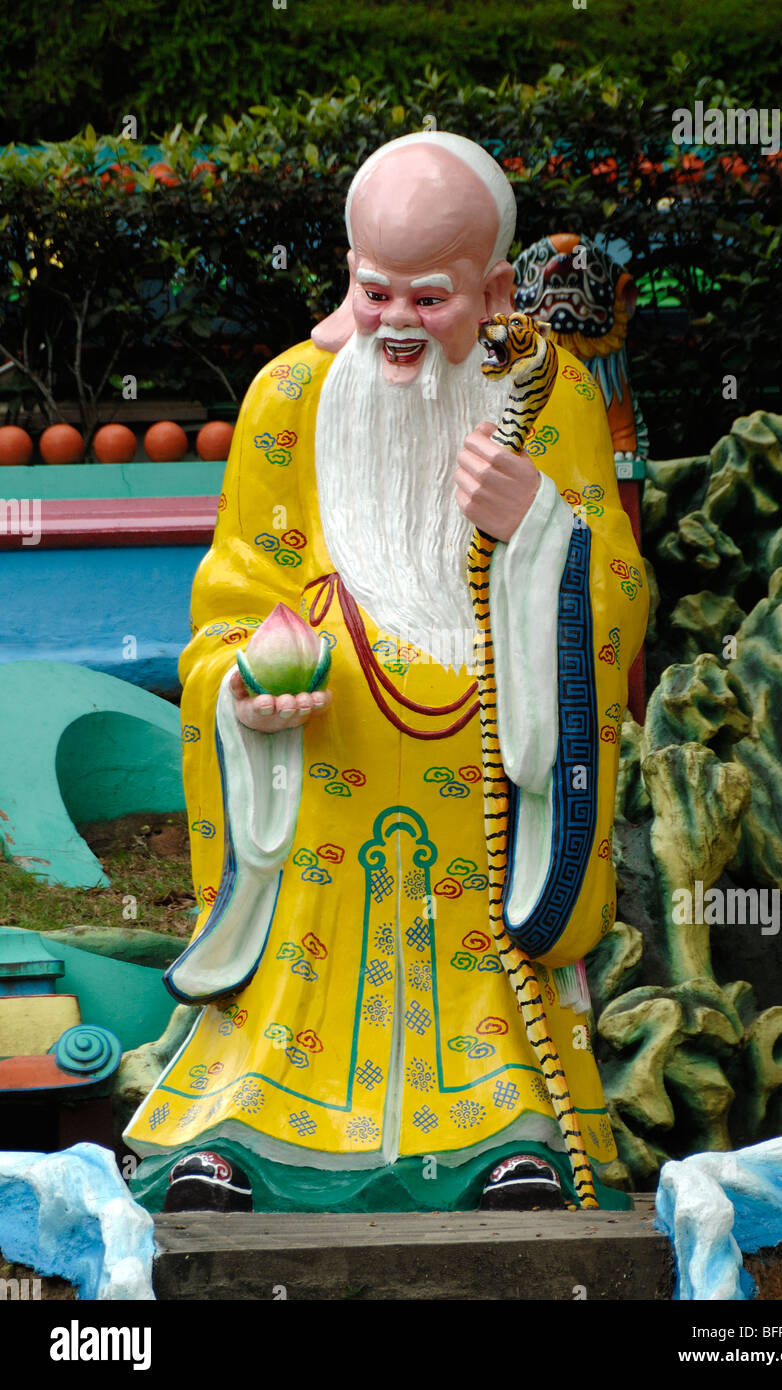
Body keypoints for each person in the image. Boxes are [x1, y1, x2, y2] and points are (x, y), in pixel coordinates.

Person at [125, 132, 649, 1213]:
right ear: (345, 274)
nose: (399, 325)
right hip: (317, 764)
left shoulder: (546, 403)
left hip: (485, 760)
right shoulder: (289, 397)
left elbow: (620, 591)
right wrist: (244, 691)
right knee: (294, 964)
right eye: (375, 292)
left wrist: (539, 530)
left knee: (489, 984)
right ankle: (245, 1124)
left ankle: (509, 1125)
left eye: (433, 297)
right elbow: (231, 601)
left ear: (496, 288)